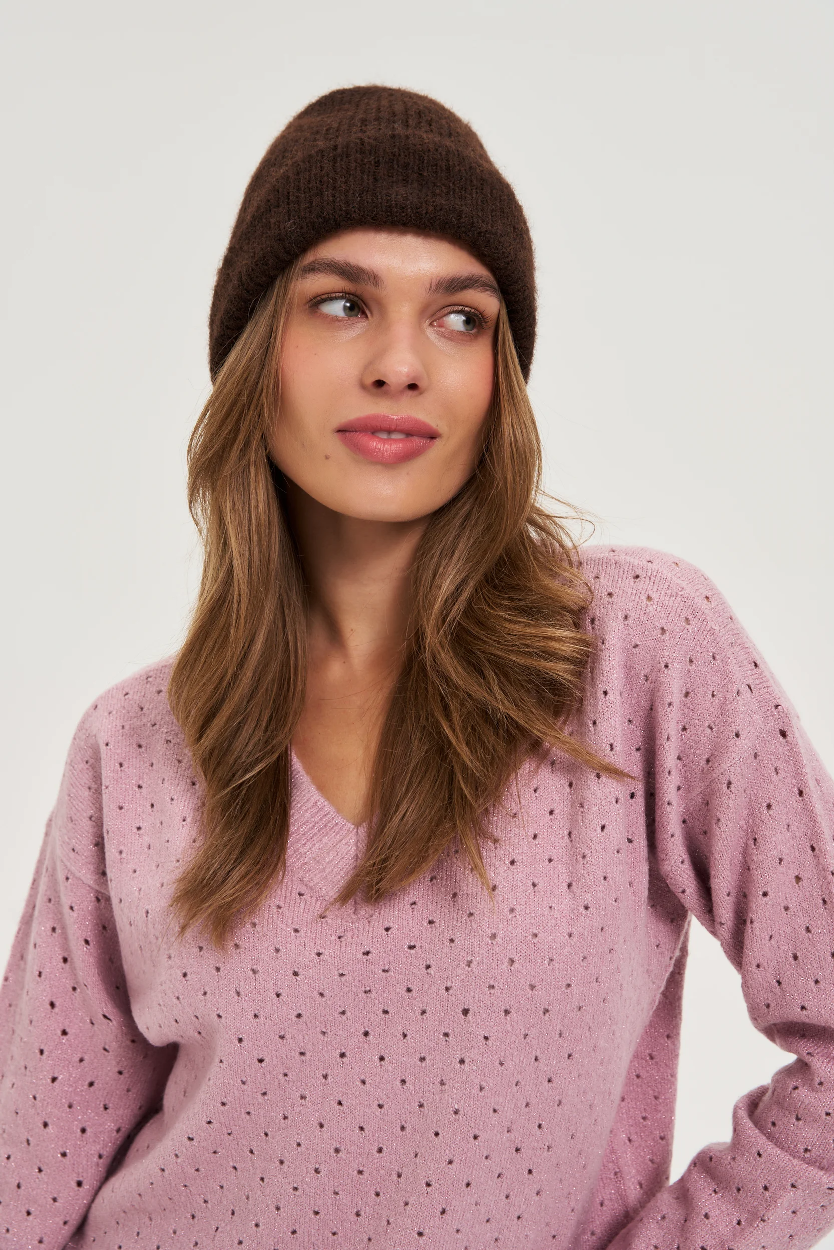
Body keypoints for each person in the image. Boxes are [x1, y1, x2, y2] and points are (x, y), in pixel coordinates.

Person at [1, 84, 833, 1250]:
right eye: (342, 303)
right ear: (256, 353)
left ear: (501, 375)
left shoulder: (637, 653)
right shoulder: (133, 746)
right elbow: (25, 1170)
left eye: (459, 317)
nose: (401, 362)